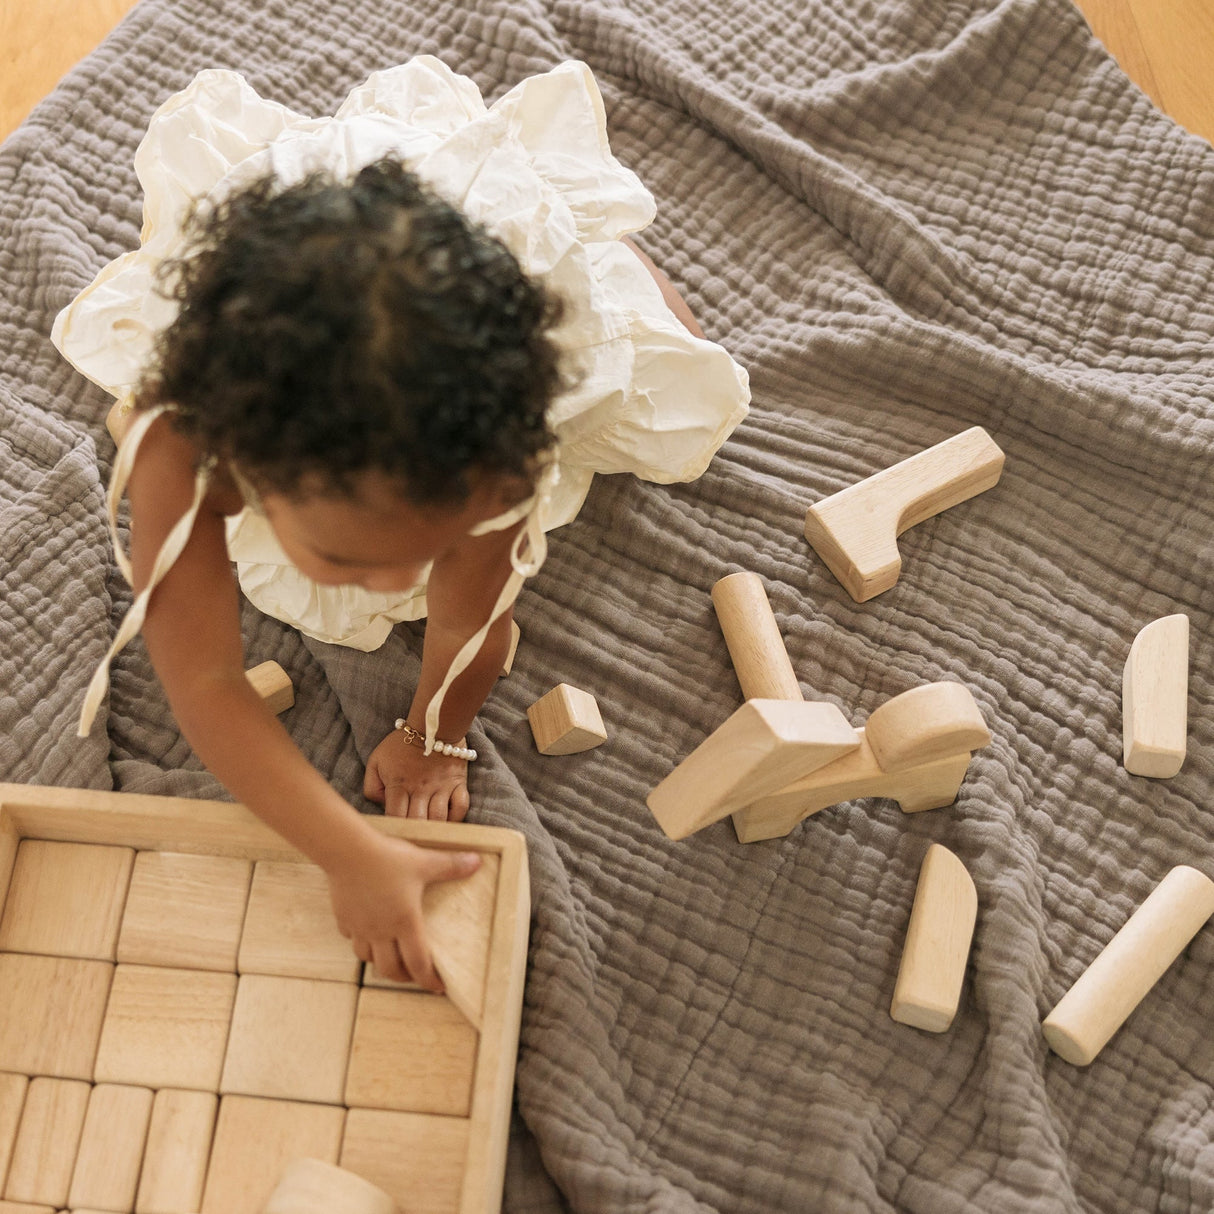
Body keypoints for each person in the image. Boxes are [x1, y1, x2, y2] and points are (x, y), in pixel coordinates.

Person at [53, 58, 750, 988]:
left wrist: (433, 733)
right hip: (308, 261)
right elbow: (209, 680)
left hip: (473, 262)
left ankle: (586, 249)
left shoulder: (496, 454)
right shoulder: (173, 438)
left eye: (420, 552)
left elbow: (474, 629)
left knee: (657, 338)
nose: (394, 591)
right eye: (349, 557)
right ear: (244, 465)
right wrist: (347, 850)